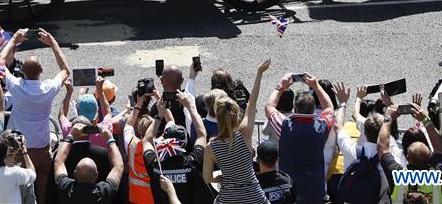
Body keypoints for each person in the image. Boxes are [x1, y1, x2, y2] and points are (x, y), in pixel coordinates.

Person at [0, 27, 71, 203]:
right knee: (42, 188)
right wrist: (53, 43)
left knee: (16, 189)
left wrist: (15, 39)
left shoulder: (16, 86)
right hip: (41, 148)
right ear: (41, 71)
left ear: (22, 71)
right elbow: (65, 70)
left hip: (16, 149)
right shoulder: (49, 88)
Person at [203, 60, 270, 204]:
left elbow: (207, 178)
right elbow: (252, 104)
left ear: (217, 116)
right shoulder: (244, 134)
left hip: (228, 198)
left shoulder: (211, 147)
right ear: (237, 113)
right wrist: (259, 73)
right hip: (255, 197)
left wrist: (222, 177)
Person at [265, 71, 335, 204]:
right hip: (315, 192)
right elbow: (329, 107)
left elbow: (269, 107)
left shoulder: (284, 126)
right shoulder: (321, 127)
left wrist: (281, 86)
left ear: (294, 108)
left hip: (290, 191)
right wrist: (316, 86)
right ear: (313, 109)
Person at [142, 92, 212, 204]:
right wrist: (190, 107)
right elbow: (202, 135)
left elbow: (146, 140)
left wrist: (159, 115)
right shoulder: (192, 163)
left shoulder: (156, 166)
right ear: (184, 144)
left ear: (165, 140)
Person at [55, 126, 124, 204]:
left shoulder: (66, 188)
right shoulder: (104, 191)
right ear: (96, 175)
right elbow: (118, 166)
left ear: (74, 174)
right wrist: (110, 140)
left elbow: (58, 162)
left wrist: (70, 136)